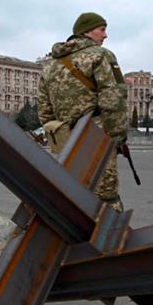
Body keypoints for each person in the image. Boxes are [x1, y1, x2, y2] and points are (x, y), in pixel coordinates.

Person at [38, 12, 128, 211]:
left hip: (66, 140)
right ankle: (108, 228)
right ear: (87, 31)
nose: (105, 35)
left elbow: (44, 111)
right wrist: (118, 137)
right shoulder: (101, 55)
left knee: (73, 193)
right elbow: (113, 100)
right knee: (105, 196)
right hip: (97, 135)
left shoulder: (50, 66)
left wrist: (60, 135)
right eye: (102, 30)